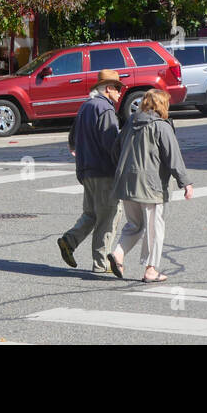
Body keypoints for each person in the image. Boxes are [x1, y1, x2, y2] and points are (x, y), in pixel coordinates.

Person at [107, 88, 193, 283]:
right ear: (162, 105)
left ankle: (118, 254)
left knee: (134, 225)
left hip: (127, 183)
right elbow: (173, 157)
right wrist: (185, 183)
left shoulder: (130, 123)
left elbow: (115, 150)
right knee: (154, 229)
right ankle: (151, 270)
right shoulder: (161, 126)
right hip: (150, 186)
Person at [57, 69, 125, 276]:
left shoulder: (85, 107)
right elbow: (111, 142)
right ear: (107, 89)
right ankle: (101, 262)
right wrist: (122, 163)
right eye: (117, 88)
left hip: (86, 170)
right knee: (109, 216)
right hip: (104, 171)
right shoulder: (105, 109)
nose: (120, 93)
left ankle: (70, 240)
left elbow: (72, 135)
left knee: (92, 213)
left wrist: (76, 149)